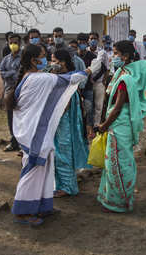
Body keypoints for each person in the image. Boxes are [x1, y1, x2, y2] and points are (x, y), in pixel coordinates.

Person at [7, 44, 100, 226]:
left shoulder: (34, 78)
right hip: (34, 136)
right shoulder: (37, 79)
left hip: (40, 133)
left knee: (46, 171)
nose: (47, 60)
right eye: (43, 56)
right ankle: (23, 212)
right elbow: (69, 79)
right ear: (34, 60)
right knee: (32, 173)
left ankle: (42, 206)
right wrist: (91, 69)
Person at [95, 40, 146, 213]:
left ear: (126, 56)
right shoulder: (122, 73)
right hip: (119, 123)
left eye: (115, 54)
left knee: (118, 163)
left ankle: (120, 201)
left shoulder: (126, 78)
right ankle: (113, 198)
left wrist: (104, 125)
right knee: (116, 162)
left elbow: (118, 106)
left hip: (119, 124)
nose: (113, 57)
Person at [51, 49, 90, 197]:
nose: (52, 64)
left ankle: (67, 187)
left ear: (63, 62)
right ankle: (62, 184)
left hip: (63, 120)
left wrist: (55, 118)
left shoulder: (69, 78)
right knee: (58, 151)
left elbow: (64, 103)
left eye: (55, 61)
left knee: (63, 151)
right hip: (61, 119)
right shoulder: (61, 77)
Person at [0, 34, 22, 152]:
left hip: (22, 91)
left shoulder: (24, 58)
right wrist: (12, 73)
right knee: (10, 117)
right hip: (9, 91)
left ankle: (23, 143)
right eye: (11, 42)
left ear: (20, 43)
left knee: (22, 117)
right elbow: (0, 72)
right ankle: (13, 141)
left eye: (16, 42)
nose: (13, 45)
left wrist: (13, 74)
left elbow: (23, 73)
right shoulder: (6, 59)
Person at [89, 32, 108, 125]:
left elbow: (106, 68)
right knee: (88, 105)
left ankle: (96, 125)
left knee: (98, 105)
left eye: (95, 39)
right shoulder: (86, 52)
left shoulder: (102, 53)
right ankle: (88, 125)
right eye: (91, 38)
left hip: (99, 83)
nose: (93, 40)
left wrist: (104, 81)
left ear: (98, 40)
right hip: (88, 83)